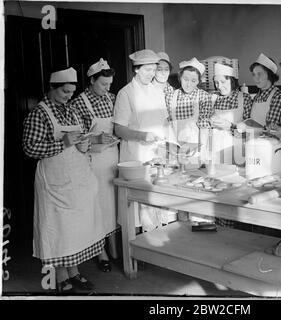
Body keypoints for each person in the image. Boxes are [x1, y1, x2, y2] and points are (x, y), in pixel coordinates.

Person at [22, 67, 104, 293]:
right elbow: (30, 148)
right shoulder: (40, 113)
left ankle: (74, 272)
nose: (69, 96)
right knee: (58, 229)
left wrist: (83, 143)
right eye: (64, 92)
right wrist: (64, 143)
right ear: (52, 88)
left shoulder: (72, 110)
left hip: (76, 178)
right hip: (55, 181)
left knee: (74, 229)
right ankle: (60, 276)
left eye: (71, 92)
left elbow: (80, 138)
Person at [114, 49, 175, 232]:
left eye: (153, 69)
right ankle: (140, 251)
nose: (152, 74)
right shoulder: (126, 93)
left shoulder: (156, 91)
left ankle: (159, 246)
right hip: (136, 156)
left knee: (159, 204)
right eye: (148, 70)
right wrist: (142, 135)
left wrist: (170, 146)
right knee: (139, 208)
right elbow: (119, 129)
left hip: (157, 155)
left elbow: (164, 122)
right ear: (136, 69)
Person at [69, 58, 119, 273]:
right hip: (92, 161)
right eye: (103, 84)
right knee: (97, 206)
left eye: (109, 84)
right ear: (91, 80)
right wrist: (98, 140)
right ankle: (101, 252)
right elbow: (75, 139)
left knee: (114, 204)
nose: (107, 89)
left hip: (113, 158)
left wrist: (114, 137)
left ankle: (116, 249)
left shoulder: (112, 98)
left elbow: (119, 126)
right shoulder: (79, 103)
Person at [166, 57, 213, 157]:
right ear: (180, 78)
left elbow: (204, 127)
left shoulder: (203, 96)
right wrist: (171, 146)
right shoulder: (170, 96)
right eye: (185, 79)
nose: (188, 84)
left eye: (193, 81)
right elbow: (167, 125)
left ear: (198, 81)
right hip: (175, 150)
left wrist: (201, 151)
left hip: (196, 150)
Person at [209, 62, 253, 166]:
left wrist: (230, 126)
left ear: (232, 80)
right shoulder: (212, 98)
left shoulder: (244, 98)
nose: (219, 86)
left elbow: (250, 129)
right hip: (215, 148)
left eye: (223, 82)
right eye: (216, 82)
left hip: (236, 149)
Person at [239, 53, 281, 130]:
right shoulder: (257, 96)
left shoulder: (277, 97)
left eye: (259, 74)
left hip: (268, 140)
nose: (256, 78)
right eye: (254, 74)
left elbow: (271, 128)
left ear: (269, 75)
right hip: (254, 139)